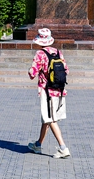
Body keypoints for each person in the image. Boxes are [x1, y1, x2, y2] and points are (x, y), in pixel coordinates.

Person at [26, 28, 71, 159]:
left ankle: (63, 148)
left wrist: (31, 70)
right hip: (59, 90)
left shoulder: (40, 54)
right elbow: (66, 70)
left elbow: (32, 73)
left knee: (50, 119)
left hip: (47, 91)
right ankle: (38, 144)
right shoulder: (58, 52)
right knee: (46, 118)